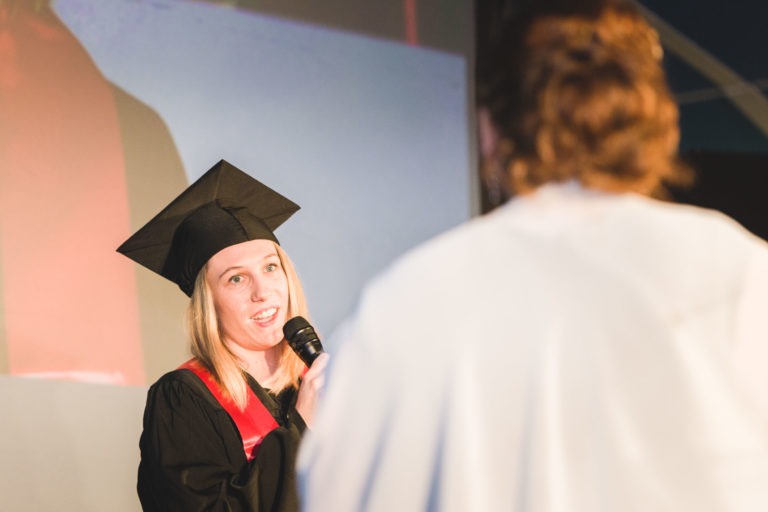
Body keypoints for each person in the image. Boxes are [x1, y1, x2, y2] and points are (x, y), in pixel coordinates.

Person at [297, 1, 768, 510]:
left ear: (489, 129)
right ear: (659, 120)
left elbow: (337, 492)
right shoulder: (741, 273)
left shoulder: (400, 302)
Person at [118, 159, 328, 511]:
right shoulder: (184, 399)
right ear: (209, 303)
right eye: (236, 278)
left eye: (270, 267)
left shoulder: (320, 381)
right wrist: (301, 427)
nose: (262, 291)